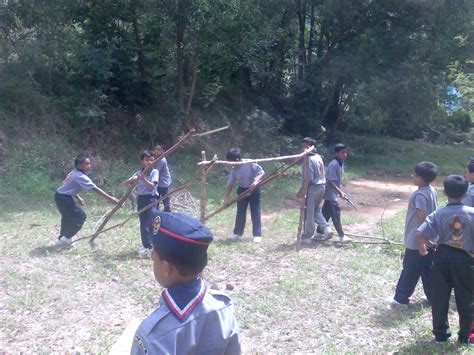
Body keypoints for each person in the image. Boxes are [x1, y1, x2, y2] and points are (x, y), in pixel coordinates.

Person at [131, 211, 241, 354]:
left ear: (166, 268)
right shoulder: (223, 306)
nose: (152, 260)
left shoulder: (150, 337)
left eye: (154, 257)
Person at [416, 175, 473, 345]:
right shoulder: (472, 213)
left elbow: (419, 233)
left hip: (442, 256)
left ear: (445, 192)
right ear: (465, 194)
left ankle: (441, 335)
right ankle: (466, 337)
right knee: (467, 298)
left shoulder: (439, 213)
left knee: (440, 297)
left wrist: (426, 245)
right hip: (465, 258)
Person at [389, 161, 438, 307]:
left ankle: (401, 298)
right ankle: (433, 296)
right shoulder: (432, 191)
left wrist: (423, 238)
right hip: (430, 238)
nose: (412, 176)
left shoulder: (420, 195)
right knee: (427, 269)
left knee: (410, 269)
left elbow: (422, 217)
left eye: (415, 175)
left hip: (418, 240)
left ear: (421, 178)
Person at [54, 154, 119, 246]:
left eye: (89, 164)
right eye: (87, 164)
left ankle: (62, 239)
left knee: (67, 217)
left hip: (60, 195)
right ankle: (66, 237)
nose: (89, 166)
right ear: (79, 165)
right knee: (81, 216)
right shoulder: (80, 176)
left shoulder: (74, 172)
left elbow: (68, 186)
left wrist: (78, 197)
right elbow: (95, 188)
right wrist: (110, 198)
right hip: (64, 198)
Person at [223, 148, 265, 243]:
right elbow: (230, 184)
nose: (231, 164)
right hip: (242, 190)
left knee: (255, 211)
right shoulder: (234, 170)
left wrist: (255, 182)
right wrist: (226, 198)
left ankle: (257, 235)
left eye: (231, 162)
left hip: (254, 190)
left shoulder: (250, 163)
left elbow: (261, 173)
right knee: (240, 212)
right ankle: (237, 232)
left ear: (237, 160)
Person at [123, 150, 159, 256]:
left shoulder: (154, 172)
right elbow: (125, 183)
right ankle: (146, 245)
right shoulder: (138, 173)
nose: (149, 162)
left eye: (152, 160)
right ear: (142, 161)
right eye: (147, 160)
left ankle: (155, 244)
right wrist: (131, 180)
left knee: (153, 222)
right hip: (141, 199)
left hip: (152, 199)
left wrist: (143, 179)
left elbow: (152, 186)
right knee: (143, 223)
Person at [297, 137, 331, 245]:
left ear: (308, 147)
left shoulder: (308, 161)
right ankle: (326, 228)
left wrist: (303, 190)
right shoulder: (318, 157)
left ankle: (307, 236)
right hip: (322, 186)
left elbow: (309, 179)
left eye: (304, 147)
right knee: (316, 210)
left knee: (309, 212)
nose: (302, 149)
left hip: (313, 188)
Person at [321, 143, 351, 244]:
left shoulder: (340, 163)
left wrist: (340, 191)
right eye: (342, 152)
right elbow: (330, 181)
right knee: (336, 214)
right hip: (330, 193)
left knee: (326, 213)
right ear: (336, 153)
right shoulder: (334, 164)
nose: (345, 154)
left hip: (333, 193)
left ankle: (319, 232)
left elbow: (337, 180)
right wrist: (340, 192)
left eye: (346, 152)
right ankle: (342, 236)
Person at [153, 144, 172, 212]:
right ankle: (156, 210)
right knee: (157, 196)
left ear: (163, 151)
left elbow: (156, 171)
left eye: (159, 150)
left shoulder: (162, 160)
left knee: (164, 197)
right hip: (159, 181)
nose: (156, 151)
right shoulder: (157, 158)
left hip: (163, 181)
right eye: (156, 149)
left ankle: (167, 210)